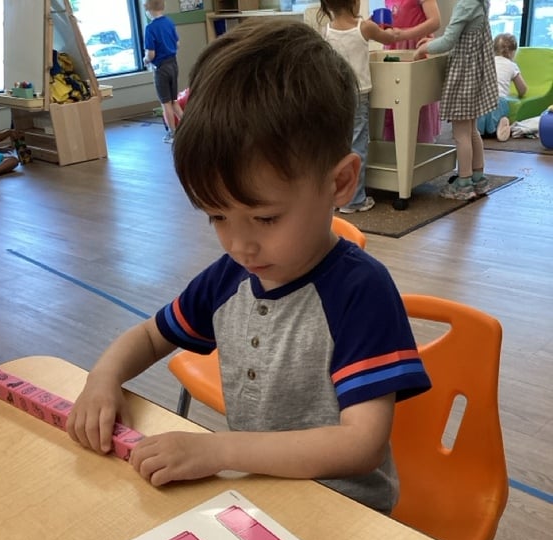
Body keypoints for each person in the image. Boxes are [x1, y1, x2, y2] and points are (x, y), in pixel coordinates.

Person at [60, 20, 430, 513]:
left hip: (345, 512)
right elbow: (150, 336)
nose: (239, 245)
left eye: (265, 218)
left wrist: (219, 451)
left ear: (339, 184)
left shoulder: (360, 291)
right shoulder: (231, 277)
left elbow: (360, 445)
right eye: (217, 216)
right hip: (258, 499)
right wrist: (103, 378)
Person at [414, 0, 498, 200]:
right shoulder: (480, 3)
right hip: (476, 74)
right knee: (472, 131)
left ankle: (464, 182)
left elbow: (448, 42)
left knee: (461, 134)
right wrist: (431, 43)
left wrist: (423, 49)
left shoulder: (465, 5)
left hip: (464, 76)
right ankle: (478, 177)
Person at [319, 0, 397, 212]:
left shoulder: (325, 31)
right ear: (354, 2)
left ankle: (337, 198)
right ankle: (354, 200)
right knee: (358, 145)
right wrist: (389, 27)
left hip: (335, 93)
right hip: (358, 93)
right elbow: (389, 37)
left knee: (338, 145)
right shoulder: (365, 27)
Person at [383, 0, 442, 142]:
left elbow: (435, 21)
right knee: (395, 98)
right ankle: (396, 143)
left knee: (416, 98)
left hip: (416, 49)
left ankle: (420, 143)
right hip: (395, 49)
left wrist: (404, 34)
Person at [143, 0, 183, 144]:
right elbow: (177, 44)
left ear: (148, 10)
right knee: (174, 101)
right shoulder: (169, 22)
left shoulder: (150, 28)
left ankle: (173, 134)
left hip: (161, 68)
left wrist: (145, 60)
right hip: (173, 64)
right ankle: (189, 128)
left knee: (165, 103)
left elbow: (151, 54)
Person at [477, 33, 528, 142]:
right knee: (499, 110)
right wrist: (520, 94)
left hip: (479, 101)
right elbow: (522, 89)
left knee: (477, 120)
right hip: (498, 101)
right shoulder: (512, 66)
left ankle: (478, 130)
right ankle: (499, 125)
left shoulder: (486, 62)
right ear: (513, 52)